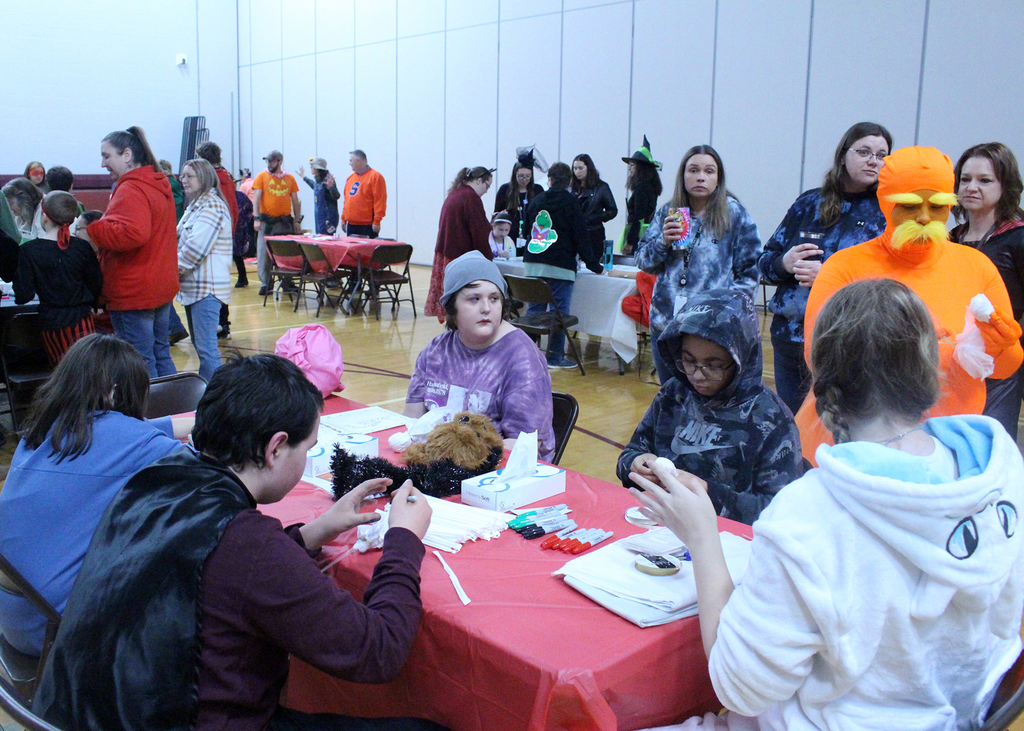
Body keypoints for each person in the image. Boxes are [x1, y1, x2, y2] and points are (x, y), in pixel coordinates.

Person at [631, 279, 1024, 731]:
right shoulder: (1000, 468)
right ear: (929, 365)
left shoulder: (810, 515)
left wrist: (701, 532)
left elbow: (738, 688)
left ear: (820, 379)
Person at [34, 354, 439, 731]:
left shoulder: (151, 480)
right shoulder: (246, 544)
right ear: (276, 447)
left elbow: (204, 572)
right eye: (307, 448)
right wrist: (403, 539)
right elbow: (378, 650)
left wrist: (312, 534)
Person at [798, 146, 1024, 465]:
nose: (924, 217)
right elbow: (817, 358)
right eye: (909, 206)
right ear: (885, 203)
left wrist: (1001, 347)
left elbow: (1005, 368)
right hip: (851, 446)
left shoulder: (977, 267)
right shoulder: (844, 267)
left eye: (938, 206)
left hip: (945, 450)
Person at [0, 334, 191, 657]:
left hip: (18, 617)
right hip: (58, 635)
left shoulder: (45, 430)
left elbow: (131, 436)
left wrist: (188, 423)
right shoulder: (129, 441)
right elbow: (208, 466)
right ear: (116, 392)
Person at [617, 290, 801, 525]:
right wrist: (635, 464)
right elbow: (629, 455)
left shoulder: (771, 419)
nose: (697, 375)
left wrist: (706, 492)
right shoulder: (674, 394)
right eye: (688, 361)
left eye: (714, 366)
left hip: (730, 545)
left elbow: (781, 514)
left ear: (740, 360)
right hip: (662, 529)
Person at [758, 122, 892, 415]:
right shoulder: (809, 203)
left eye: (882, 155)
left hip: (848, 342)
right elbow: (763, 264)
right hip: (791, 337)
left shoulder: (887, 211)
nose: (874, 160)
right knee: (794, 424)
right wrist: (784, 263)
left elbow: (891, 286)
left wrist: (831, 279)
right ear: (843, 155)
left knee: (837, 427)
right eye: (865, 151)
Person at [406, 251, 556, 461]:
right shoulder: (436, 351)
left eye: (494, 298)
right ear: (452, 306)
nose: (486, 308)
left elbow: (523, 445)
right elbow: (411, 421)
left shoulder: (522, 359)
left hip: (497, 472)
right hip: (439, 465)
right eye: (474, 299)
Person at [635, 145, 761, 385]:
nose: (701, 176)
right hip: (666, 324)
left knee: (704, 401)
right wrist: (663, 242)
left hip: (710, 329)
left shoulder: (734, 214)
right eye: (693, 170)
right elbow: (643, 261)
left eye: (709, 171)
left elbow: (750, 273)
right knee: (671, 396)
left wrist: (725, 315)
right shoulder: (669, 212)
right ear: (683, 176)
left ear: (718, 178)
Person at [77, 126, 179, 378]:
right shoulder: (155, 183)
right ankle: (176, 411)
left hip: (134, 291)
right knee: (160, 353)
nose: (103, 163)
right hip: (158, 285)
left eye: (106, 156)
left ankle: (149, 415)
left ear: (126, 155)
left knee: (139, 361)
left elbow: (134, 233)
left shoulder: (132, 188)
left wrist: (94, 229)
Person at [950, 142, 1024, 440]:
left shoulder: (1018, 238)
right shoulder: (950, 240)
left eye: (984, 180)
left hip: (999, 365)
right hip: (952, 362)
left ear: (1004, 186)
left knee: (990, 448)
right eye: (965, 179)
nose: (971, 187)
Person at [522, 161, 605, 369]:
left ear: (549, 180)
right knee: (559, 313)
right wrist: (595, 265)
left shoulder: (536, 200)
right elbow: (581, 237)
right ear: (569, 182)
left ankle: (528, 355)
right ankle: (555, 356)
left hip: (534, 265)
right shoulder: (571, 202)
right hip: (561, 267)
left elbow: (525, 232)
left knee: (534, 311)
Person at [13, 192, 102, 366]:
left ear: (44, 216)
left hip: (53, 322)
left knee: (63, 374)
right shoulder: (82, 247)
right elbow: (96, 283)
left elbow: (24, 294)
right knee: (90, 371)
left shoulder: (29, 251)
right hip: (82, 319)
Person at [177, 158, 233, 381]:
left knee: (207, 350)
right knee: (202, 348)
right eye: (182, 176)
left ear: (205, 178)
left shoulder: (211, 206)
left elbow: (195, 250)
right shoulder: (195, 205)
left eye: (189, 176)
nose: (184, 181)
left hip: (206, 290)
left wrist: (169, 273)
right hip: (194, 288)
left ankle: (218, 395)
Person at [424, 166, 495, 320]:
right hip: (460, 256)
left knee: (452, 299)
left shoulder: (455, 194)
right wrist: (488, 260)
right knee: (462, 300)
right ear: (478, 181)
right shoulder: (471, 198)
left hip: (446, 253)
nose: (487, 191)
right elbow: (479, 232)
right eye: (487, 186)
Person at [195, 141, 242, 338]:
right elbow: (234, 209)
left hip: (215, 237)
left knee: (212, 284)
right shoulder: (227, 177)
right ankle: (223, 324)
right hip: (226, 234)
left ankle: (218, 324)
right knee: (220, 281)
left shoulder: (212, 180)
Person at [253, 149, 302, 297]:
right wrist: (256, 218)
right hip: (266, 221)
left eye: (272, 161)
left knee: (285, 253)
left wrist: (297, 220)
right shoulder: (262, 176)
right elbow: (256, 199)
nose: (269, 164)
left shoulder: (289, 178)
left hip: (283, 221)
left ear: (279, 162)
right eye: (267, 161)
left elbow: (295, 200)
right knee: (263, 253)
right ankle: (265, 283)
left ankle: (287, 282)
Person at [493, 152, 545, 253]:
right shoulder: (505, 190)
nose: (524, 179)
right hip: (508, 238)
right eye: (521, 176)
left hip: (532, 237)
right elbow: (496, 216)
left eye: (528, 176)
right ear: (515, 175)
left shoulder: (538, 190)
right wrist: (501, 214)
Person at [619, 135, 663, 256]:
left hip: (639, 236)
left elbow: (638, 217)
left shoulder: (642, 188)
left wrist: (630, 242)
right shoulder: (650, 186)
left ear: (641, 167)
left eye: (632, 164)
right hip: (646, 234)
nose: (630, 168)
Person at [571, 153, 618, 261]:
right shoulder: (571, 188)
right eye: (575, 168)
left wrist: (596, 217)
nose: (577, 171)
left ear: (588, 168)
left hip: (594, 233)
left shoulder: (601, 187)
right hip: (574, 233)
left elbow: (613, 210)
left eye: (580, 168)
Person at [341, 149, 387, 238]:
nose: (349, 163)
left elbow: (380, 201)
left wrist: (377, 221)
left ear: (358, 161)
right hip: (351, 225)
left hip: (367, 226)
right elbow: (347, 201)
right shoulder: (350, 178)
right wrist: (343, 218)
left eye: (351, 160)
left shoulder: (375, 177)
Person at [298, 157, 341, 235]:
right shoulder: (319, 181)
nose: (310, 168)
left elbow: (336, 196)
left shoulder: (327, 181)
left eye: (312, 166)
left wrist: (331, 187)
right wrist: (304, 177)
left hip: (328, 219)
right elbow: (314, 186)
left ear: (318, 169)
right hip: (320, 218)